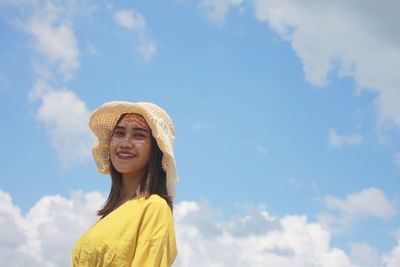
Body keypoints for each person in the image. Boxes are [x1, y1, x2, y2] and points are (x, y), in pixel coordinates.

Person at [71, 101, 179, 266]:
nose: (125, 143)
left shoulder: (154, 208)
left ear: (156, 149)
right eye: (120, 133)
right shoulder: (106, 218)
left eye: (139, 135)